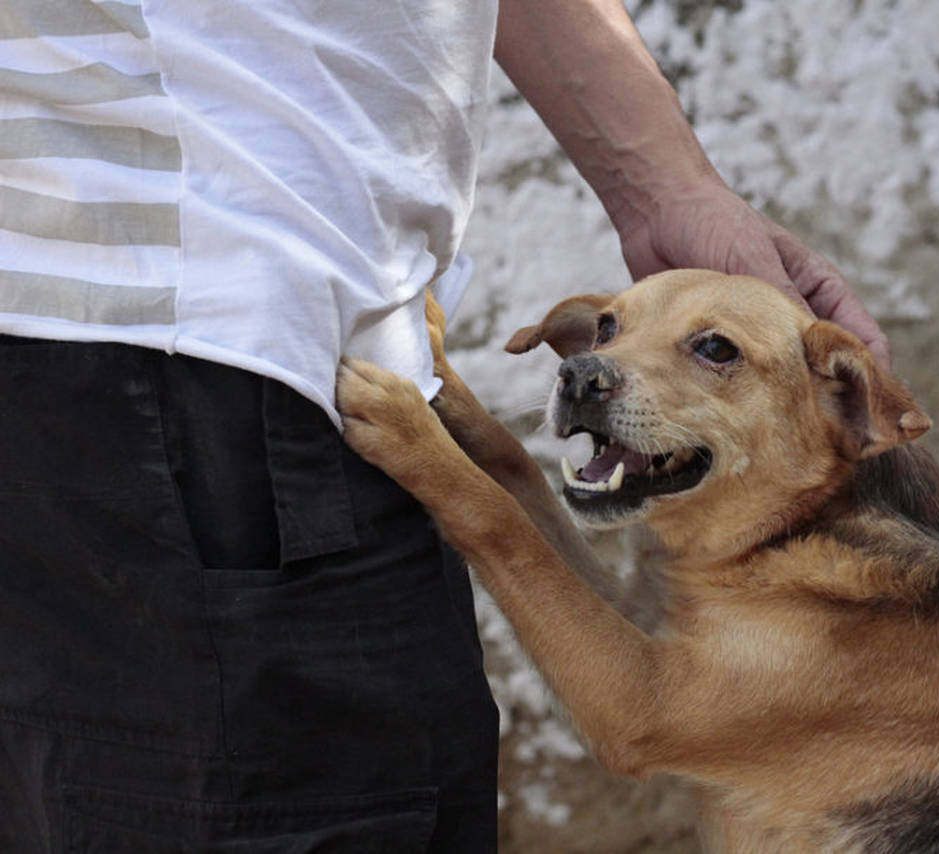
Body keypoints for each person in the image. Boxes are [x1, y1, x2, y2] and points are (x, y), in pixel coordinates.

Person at [0, 1, 887, 850]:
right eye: (610, 330)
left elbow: (641, 688)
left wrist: (664, 189)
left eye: (715, 353)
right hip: (211, 337)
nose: (599, 367)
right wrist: (454, 451)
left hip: (215, 338)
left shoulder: (867, 612)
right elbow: (634, 690)